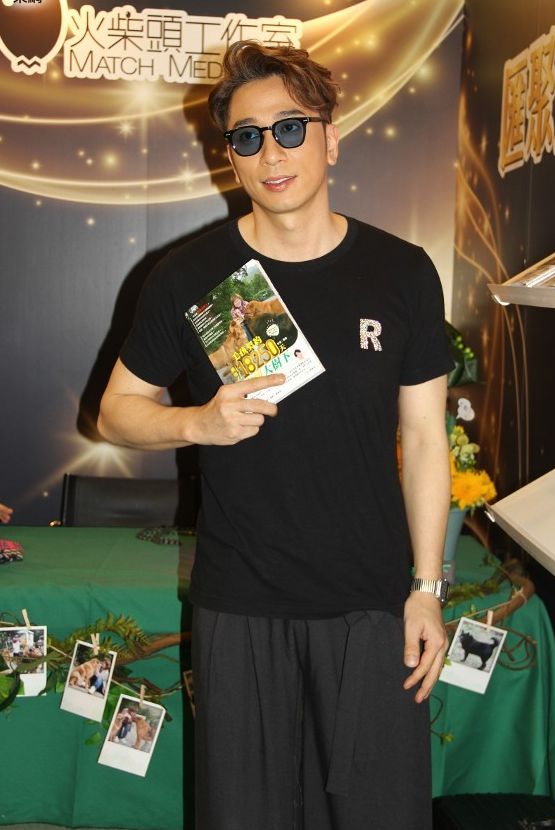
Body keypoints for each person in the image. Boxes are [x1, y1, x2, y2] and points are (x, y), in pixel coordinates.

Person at [98, 40, 452, 830]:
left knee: (379, 816)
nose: (271, 153)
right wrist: (196, 422)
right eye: (247, 137)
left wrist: (426, 589)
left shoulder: (401, 271)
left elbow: (426, 440)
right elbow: (116, 410)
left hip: (371, 607)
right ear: (228, 157)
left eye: (290, 128)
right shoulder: (189, 277)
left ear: (331, 138)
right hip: (241, 603)